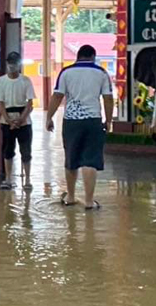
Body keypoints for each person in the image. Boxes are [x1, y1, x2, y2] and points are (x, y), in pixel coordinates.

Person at [45, 44, 113, 210]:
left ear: (78, 56)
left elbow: (57, 96)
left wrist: (49, 117)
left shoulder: (66, 72)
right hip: (93, 120)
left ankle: (71, 197)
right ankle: (89, 202)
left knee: (71, 159)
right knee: (90, 161)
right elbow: (108, 98)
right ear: (93, 56)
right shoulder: (101, 73)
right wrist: (109, 121)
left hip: (72, 121)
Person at [0, 51, 35, 190]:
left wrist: (21, 119)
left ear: (19, 64)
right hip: (7, 120)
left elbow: (30, 102)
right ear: (7, 64)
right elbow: (0, 102)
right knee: (7, 150)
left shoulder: (26, 80)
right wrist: (8, 120)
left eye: (15, 63)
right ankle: (8, 178)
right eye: (10, 63)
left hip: (24, 120)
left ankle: (27, 179)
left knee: (26, 151)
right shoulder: (1, 81)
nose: (12, 66)